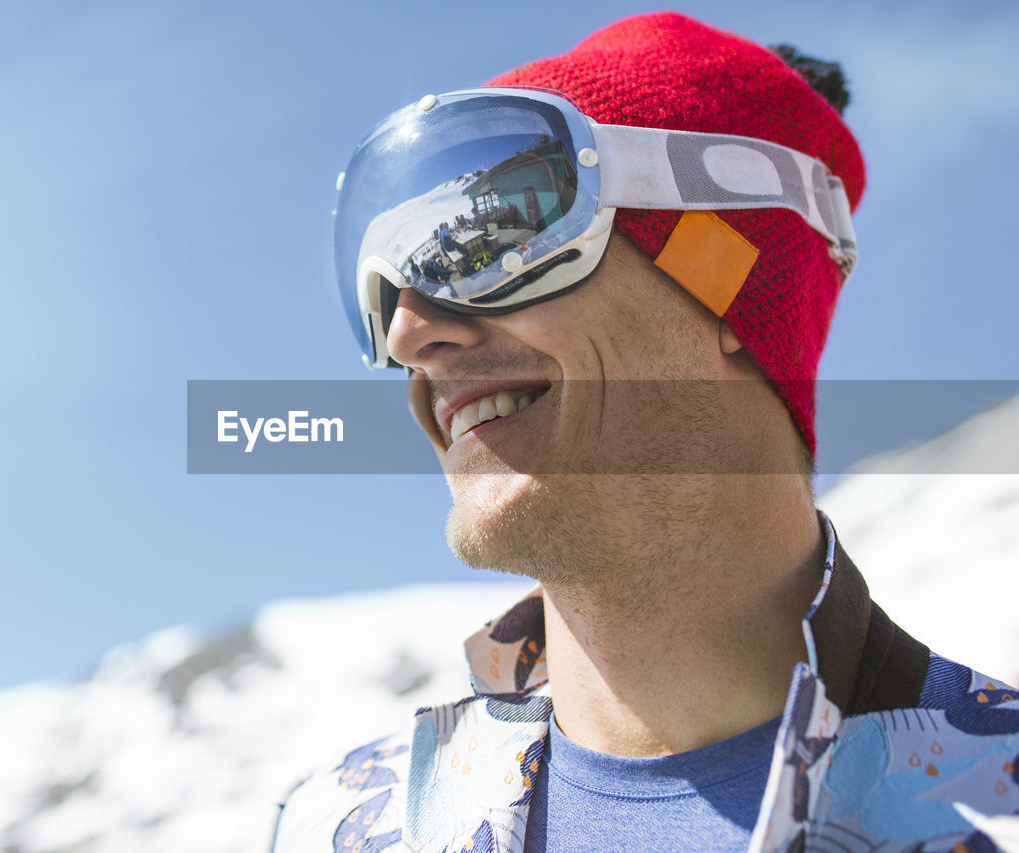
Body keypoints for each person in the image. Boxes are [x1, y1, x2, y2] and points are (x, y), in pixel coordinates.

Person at [273, 13, 1019, 852]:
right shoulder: (334, 826)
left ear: (726, 278)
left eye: (497, 242)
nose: (410, 335)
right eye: (378, 297)